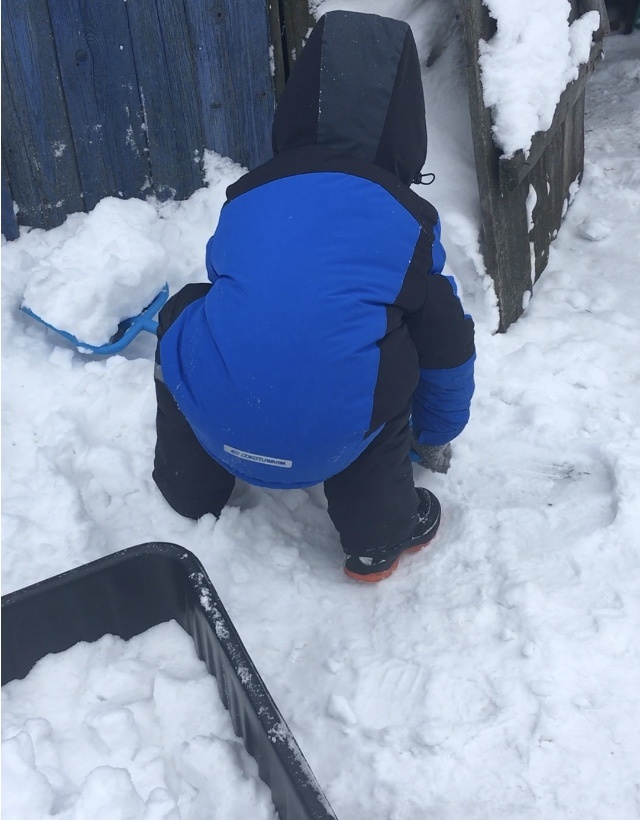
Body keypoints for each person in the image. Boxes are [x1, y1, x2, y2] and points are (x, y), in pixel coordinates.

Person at [153, 10, 475, 582]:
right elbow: (447, 344)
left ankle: (189, 487)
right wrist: (435, 434)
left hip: (220, 426)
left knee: (188, 309)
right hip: (334, 440)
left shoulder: (248, 196)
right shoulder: (407, 223)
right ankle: (381, 533)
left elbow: (242, 289)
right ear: (405, 125)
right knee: (381, 350)